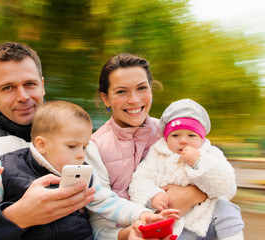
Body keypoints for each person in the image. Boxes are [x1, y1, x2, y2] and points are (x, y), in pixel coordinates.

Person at [0, 100, 180, 239]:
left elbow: (108, 202)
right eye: (72, 146)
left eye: (85, 146)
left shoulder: (82, 171)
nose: (81, 153)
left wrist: (141, 214)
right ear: (42, 145)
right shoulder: (7, 167)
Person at [0, 42, 95, 240]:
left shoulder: (79, 130)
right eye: (8, 88)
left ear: (43, 85)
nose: (23, 97)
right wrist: (17, 217)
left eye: (30, 84)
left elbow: (103, 215)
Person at [84, 53, 242, 240]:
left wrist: (193, 194)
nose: (134, 100)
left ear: (151, 90)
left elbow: (225, 184)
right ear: (106, 98)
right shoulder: (95, 148)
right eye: (121, 91)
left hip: (193, 225)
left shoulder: (174, 133)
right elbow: (98, 226)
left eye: (141, 88)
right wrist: (130, 234)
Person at [129, 99, 244, 239]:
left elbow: (226, 185)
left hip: (207, 214)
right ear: (166, 138)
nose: (183, 141)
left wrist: (199, 161)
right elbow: (139, 180)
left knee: (226, 208)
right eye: (175, 135)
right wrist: (153, 195)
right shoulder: (157, 154)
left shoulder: (210, 153)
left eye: (191, 135)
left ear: (202, 138)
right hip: (176, 222)